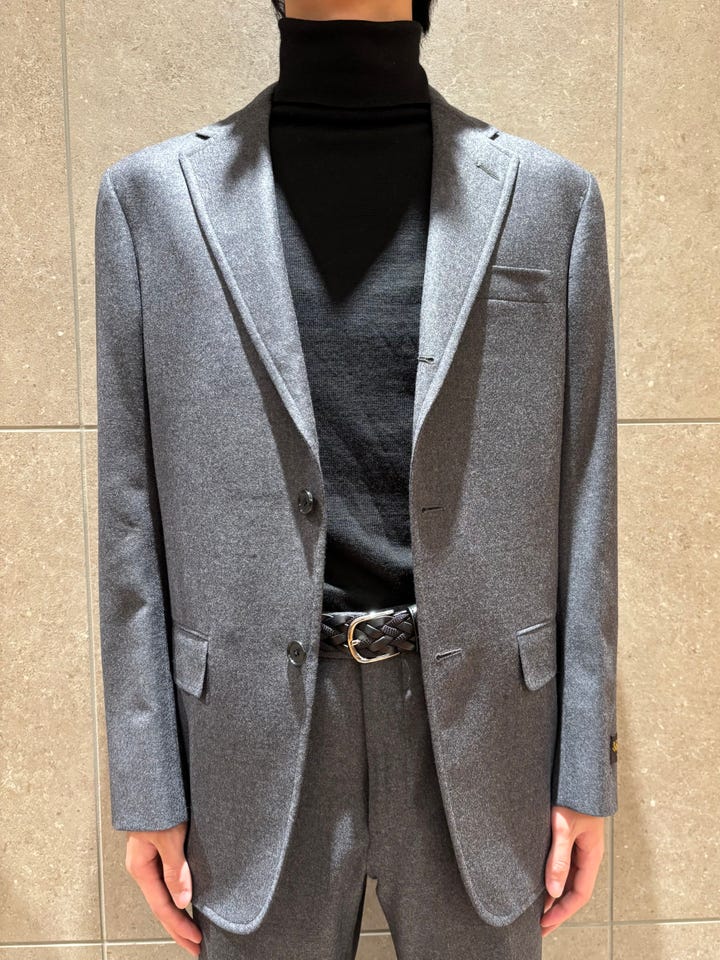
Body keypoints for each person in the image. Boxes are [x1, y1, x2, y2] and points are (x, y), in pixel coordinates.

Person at [94, 1, 618, 957]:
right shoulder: (150, 202)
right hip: (247, 741)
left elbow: (586, 497)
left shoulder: (552, 200)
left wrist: (585, 767)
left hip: (487, 732)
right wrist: (146, 783)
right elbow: (130, 512)